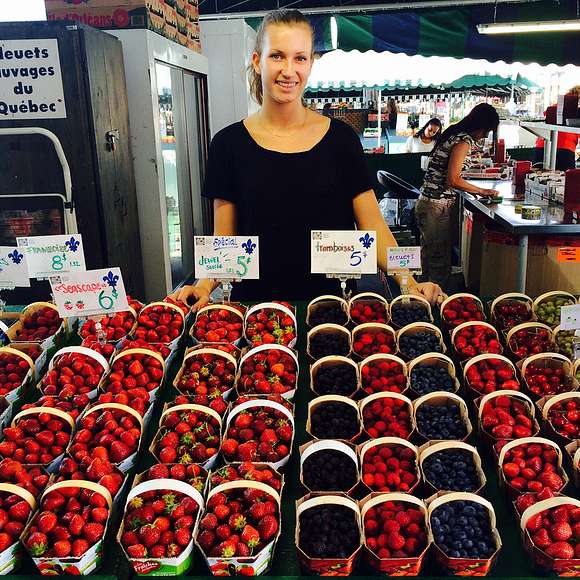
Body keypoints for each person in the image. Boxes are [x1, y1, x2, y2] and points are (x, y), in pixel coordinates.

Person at [173, 9, 443, 309]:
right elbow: (224, 238)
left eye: (299, 58)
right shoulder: (228, 144)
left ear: (311, 64)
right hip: (257, 314)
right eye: (277, 56)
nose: (289, 70)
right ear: (257, 61)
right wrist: (203, 285)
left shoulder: (341, 140)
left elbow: (374, 226)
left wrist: (409, 281)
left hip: (332, 311)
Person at [416, 103, 500, 292]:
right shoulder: (463, 140)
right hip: (437, 206)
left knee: (427, 260)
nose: (485, 136)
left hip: (426, 203)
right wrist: (482, 191)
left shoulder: (452, 134)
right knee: (439, 265)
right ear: (480, 125)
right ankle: (437, 304)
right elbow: (453, 179)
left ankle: (420, 301)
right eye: (486, 131)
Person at [534, 85, 580, 171]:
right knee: (565, 178)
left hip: (542, 146)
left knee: (537, 177)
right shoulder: (576, 110)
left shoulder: (557, 106)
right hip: (565, 149)